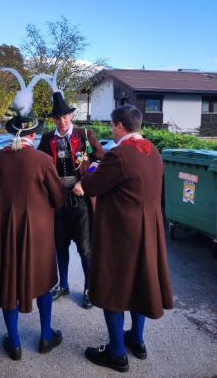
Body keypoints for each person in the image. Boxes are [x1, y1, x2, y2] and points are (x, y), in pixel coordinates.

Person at [73, 104, 173, 373]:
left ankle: (117, 352)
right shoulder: (153, 152)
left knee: (113, 288)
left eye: (111, 125)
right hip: (147, 232)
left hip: (121, 235)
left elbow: (92, 185)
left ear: (119, 126)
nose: (110, 129)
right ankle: (137, 340)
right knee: (140, 284)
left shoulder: (119, 155)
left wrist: (89, 165)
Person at [0, 70, 66, 361]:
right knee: (41, 280)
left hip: (4, 230)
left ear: (10, 130)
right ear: (32, 132)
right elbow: (58, 198)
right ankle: (45, 336)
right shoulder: (42, 161)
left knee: (8, 282)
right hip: (38, 233)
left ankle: (14, 342)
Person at [38, 90, 104, 308]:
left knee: (85, 247)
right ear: (54, 120)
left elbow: (100, 161)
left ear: (71, 117)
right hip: (57, 200)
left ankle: (89, 288)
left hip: (81, 199)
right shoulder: (47, 139)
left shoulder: (85, 135)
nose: (62, 121)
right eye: (58, 118)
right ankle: (63, 284)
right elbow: (40, 165)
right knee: (60, 245)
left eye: (65, 117)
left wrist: (85, 183)